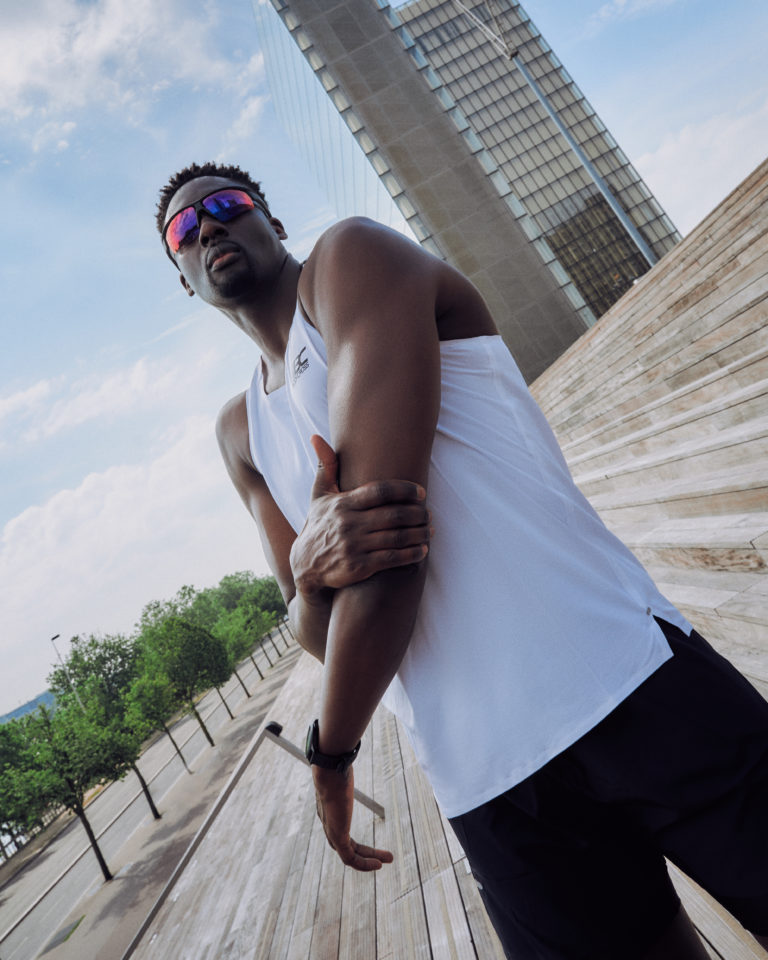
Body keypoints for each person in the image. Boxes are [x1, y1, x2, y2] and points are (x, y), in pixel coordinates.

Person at [155, 162, 768, 960]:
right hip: (489, 777)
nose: (207, 224)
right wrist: (308, 569)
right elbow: (311, 628)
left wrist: (331, 752)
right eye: (183, 228)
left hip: (622, 678)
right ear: (182, 276)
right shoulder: (240, 431)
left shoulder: (351, 261)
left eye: (226, 204)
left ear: (269, 219)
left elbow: (392, 553)